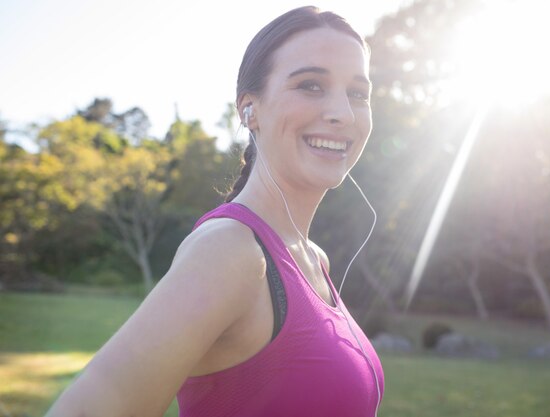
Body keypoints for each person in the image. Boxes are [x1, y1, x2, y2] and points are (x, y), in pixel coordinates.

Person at [46, 6, 384, 417]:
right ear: (249, 109)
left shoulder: (315, 258)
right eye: (311, 85)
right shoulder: (231, 251)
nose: (342, 113)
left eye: (357, 94)